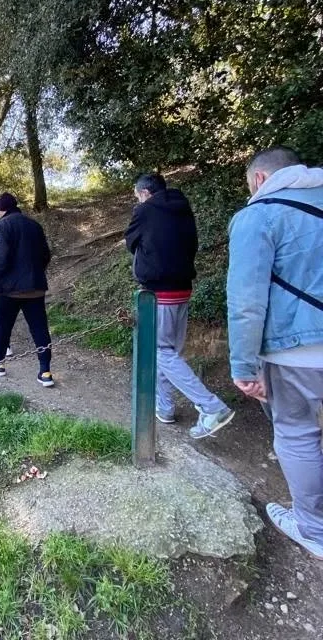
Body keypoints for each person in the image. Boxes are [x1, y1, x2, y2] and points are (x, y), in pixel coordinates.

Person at [227, 146, 323, 559]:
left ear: (260, 179)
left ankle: (314, 529)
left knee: (297, 433)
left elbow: (247, 301)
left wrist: (244, 366)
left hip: (296, 350)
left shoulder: (259, 215)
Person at [125, 172, 233, 438]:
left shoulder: (145, 210)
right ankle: (166, 407)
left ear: (145, 192)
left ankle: (211, 406)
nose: (137, 199)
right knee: (169, 351)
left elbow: (131, 242)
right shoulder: (183, 208)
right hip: (183, 288)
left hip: (159, 290)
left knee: (161, 352)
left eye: (137, 195)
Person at [0, 193, 54, 386]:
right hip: (35, 287)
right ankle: (45, 372)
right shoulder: (34, 225)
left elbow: (0, 259)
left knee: (2, 325)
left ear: (0, 209)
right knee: (39, 328)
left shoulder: (2, 226)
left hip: (9, 289)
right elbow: (46, 254)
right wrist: (36, 272)